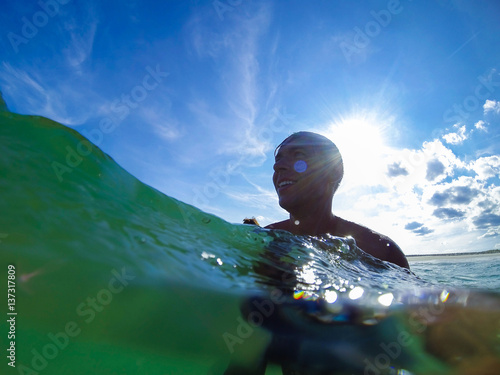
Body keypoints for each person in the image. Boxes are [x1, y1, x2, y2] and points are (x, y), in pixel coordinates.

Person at [265, 131, 409, 269]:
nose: (277, 166)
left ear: (333, 172)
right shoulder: (263, 241)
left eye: (298, 155)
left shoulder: (381, 252)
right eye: (278, 160)